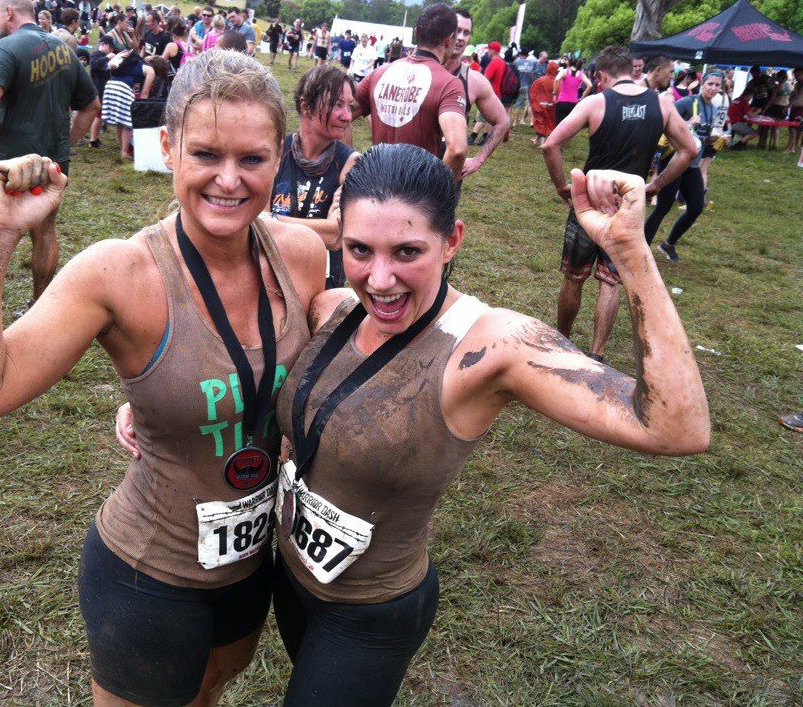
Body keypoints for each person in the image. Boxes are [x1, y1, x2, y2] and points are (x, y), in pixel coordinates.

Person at [109, 144, 713, 704]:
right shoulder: (334, 309)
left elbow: (677, 428)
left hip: (370, 612)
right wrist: (162, 407)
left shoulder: (492, 346)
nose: (380, 279)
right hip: (288, 580)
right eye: (359, 251)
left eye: (407, 252)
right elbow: (251, 358)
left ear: (451, 242)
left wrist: (631, 253)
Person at [0, 49, 326, 707]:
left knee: (212, 688)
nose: (229, 179)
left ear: (279, 156)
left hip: (249, 564)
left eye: (252, 159)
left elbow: (311, 379)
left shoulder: (302, 256)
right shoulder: (119, 273)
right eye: (206, 154)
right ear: (168, 148)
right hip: (149, 574)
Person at [542, 45, 695, 363]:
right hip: (628, 204)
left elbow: (551, 144)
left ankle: (562, 343)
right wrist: (655, 186)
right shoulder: (661, 104)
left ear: (601, 76)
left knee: (574, 276)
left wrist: (562, 187)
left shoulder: (596, 102)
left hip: (589, 203)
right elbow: (689, 150)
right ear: (631, 70)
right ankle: (597, 353)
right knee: (610, 282)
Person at [0, 0, 100, 308]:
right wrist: (68, 141)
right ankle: (38, 304)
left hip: (11, 161)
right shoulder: (64, 49)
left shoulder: (9, 46)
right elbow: (92, 105)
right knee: (45, 232)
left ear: (10, 13)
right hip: (54, 160)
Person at [351, 4, 468, 178]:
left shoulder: (380, 73)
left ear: (416, 33)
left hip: (375, 181)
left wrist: (347, 159)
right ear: (449, 39)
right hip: (415, 188)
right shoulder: (449, 84)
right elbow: (457, 150)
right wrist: (439, 189)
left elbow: (340, 115)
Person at [271, 65, 359, 289]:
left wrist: (272, 221)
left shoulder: (350, 164)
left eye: (349, 106)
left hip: (322, 283)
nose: (347, 116)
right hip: (274, 276)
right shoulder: (276, 153)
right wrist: (321, 227)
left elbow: (336, 235)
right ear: (306, 106)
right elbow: (253, 223)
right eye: (337, 104)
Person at [644, 71, 725, 263]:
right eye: (710, 84)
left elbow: (700, 138)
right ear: (702, 83)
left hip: (692, 164)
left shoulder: (712, 108)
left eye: (717, 85)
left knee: (696, 207)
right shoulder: (687, 103)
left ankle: (668, 244)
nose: (713, 88)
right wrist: (688, 123)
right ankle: (641, 250)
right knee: (662, 208)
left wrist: (713, 139)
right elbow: (663, 124)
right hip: (674, 161)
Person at [445, 8, 508, 178]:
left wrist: (478, 160)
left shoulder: (473, 80)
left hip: (448, 177)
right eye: (457, 30)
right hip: (409, 173)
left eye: (466, 33)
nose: (460, 37)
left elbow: (502, 122)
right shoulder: (420, 70)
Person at [101, 48, 155, 159]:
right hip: (123, 89)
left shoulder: (123, 63)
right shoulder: (150, 70)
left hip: (109, 86)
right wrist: (141, 109)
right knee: (129, 123)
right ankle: (124, 153)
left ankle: (123, 149)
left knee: (120, 121)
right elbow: (144, 93)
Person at [87, 35, 114, 148]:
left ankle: (95, 138)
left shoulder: (103, 56)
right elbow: (93, 65)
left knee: (100, 115)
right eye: (110, 47)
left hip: (103, 89)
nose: (111, 50)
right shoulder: (96, 54)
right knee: (98, 115)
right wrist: (107, 58)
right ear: (103, 44)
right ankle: (93, 140)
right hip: (97, 89)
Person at [529, 59, 558, 146]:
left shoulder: (540, 80)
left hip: (540, 105)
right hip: (551, 106)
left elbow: (533, 92)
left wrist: (535, 103)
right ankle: (539, 140)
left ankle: (543, 144)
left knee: (541, 122)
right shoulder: (557, 82)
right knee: (549, 123)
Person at [554, 58, 591, 125]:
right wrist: (582, 98)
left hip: (562, 101)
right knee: (569, 125)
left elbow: (556, 80)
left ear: (569, 63)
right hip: (573, 103)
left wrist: (554, 94)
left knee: (559, 124)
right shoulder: (581, 74)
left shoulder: (564, 71)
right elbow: (590, 85)